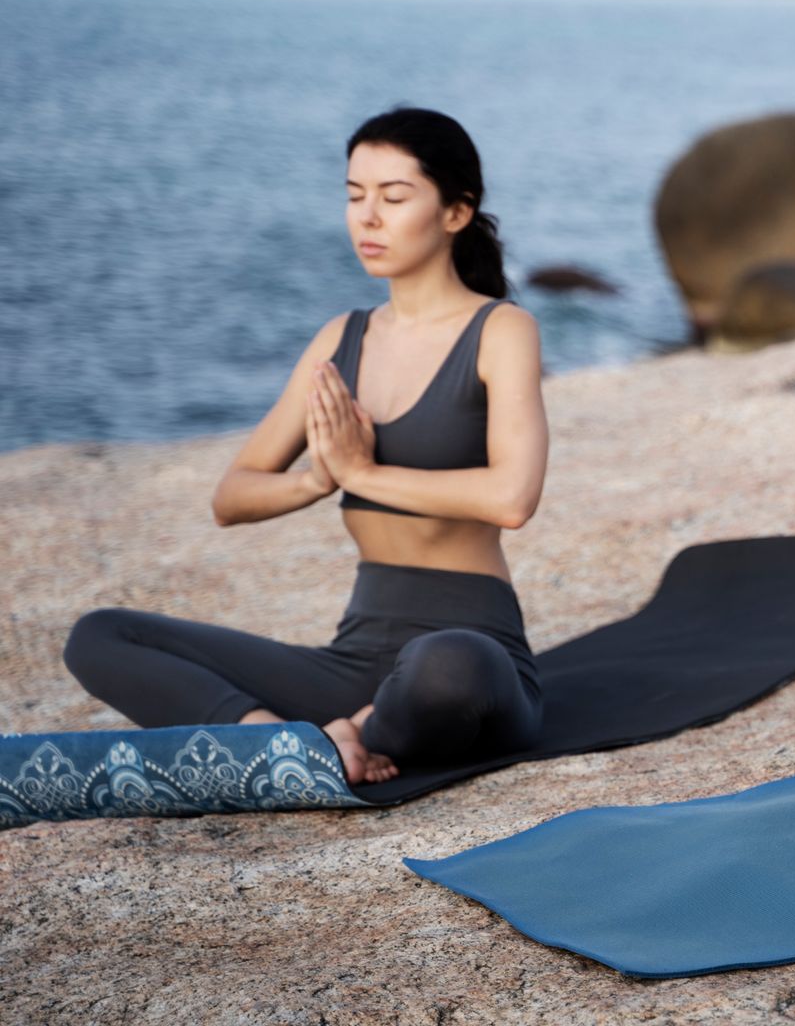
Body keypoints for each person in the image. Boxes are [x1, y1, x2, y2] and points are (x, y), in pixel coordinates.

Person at [64, 108, 549, 786]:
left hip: (471, 652)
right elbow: (232, 497)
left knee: (447, 668)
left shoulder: (500, 330)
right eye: (355, 195)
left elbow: (512, 498)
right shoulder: (340, 341)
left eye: (394, 197)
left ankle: (361, 733)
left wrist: (364, 471)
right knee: (101, 635)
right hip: (352, 660)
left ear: (456, 212)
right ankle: (279, 741)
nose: (367, 218)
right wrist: (318, 480)